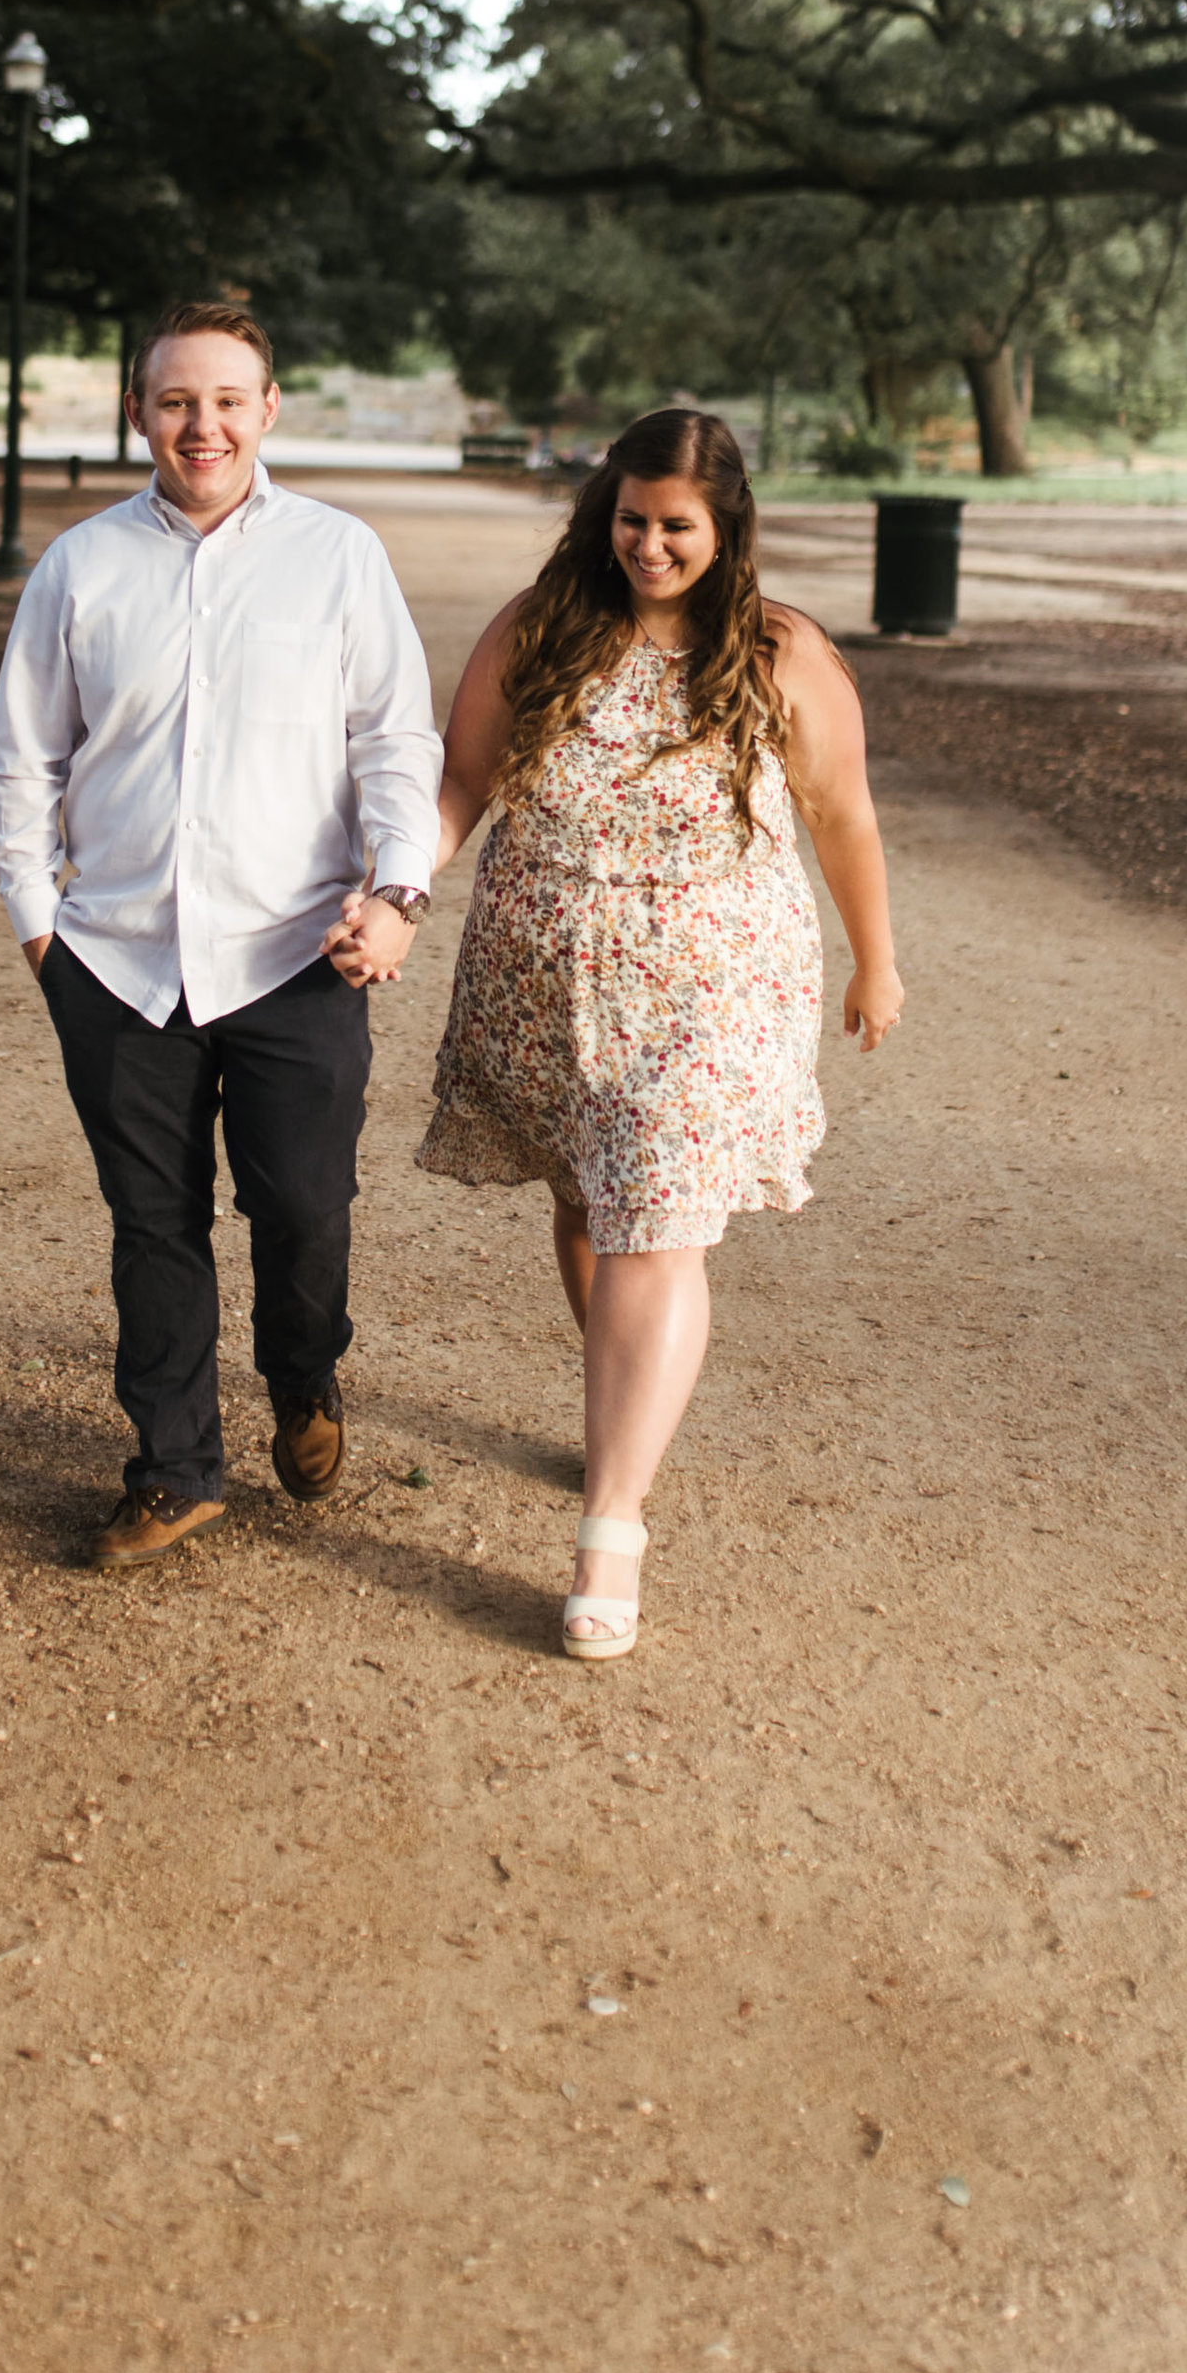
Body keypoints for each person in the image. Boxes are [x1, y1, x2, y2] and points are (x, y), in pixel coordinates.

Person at [400, 406, 904, 1659]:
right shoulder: (540, 626)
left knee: (657, 1211)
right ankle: (624, 1402)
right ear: (602, 512)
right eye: (630, 519)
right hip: (545, 976)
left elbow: (842, 817)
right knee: (589, 1204)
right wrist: (401, 889)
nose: (649, 545)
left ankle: (608, 1529)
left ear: (725, 529)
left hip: (713, 984)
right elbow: (461, 778)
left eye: (677, 526)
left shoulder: (780, 652)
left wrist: (876, 962)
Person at [0, 302, 441, 1571]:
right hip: (118, 962)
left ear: (269, 409)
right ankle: (175, 1467)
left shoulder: (339, 557)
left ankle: (304, 1377)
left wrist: (396, 895)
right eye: (177, 401)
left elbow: (397, 742)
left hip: (300, 950)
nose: (204, 425)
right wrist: (41, 932)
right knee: (152, 1224)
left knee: (304, 1207)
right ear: (140, 412)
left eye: (228, 399)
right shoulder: (79, 567)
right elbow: (20, 764)